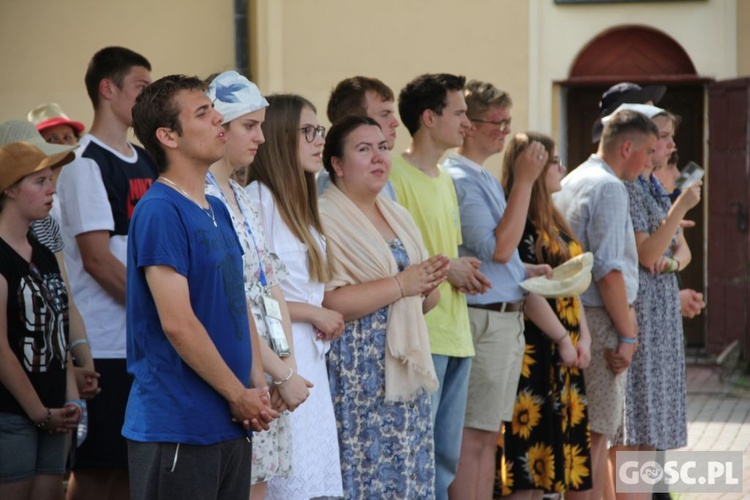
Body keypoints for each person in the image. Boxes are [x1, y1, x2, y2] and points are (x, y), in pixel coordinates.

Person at [124, 74, 278, 500]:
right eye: (204, 113)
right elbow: (178, 324)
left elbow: (237, 300)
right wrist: (236, 394)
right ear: (167, 136)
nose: (220, 122)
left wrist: (254, 385)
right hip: (179, 423)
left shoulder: (216, 208)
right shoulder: (159, 209)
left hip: (230, 419)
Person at [441, 81, 577, 500]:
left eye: (507, 121)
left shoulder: (477, 174)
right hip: (483, 318)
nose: (504, 130)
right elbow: (499, 247)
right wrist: (523, 181)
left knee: (487, 437)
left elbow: (503, 257)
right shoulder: (460, 177)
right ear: (468, 126)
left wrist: (526, 269)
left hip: (502, 316)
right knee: (471, 440)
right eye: (495, 121)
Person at [319, 115, 449, 498]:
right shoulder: (323, 218)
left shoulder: (398, 214)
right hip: (358, 376)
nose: (378, 158)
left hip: (404, 370)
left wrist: (428, 282)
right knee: (366, 478)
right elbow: (330, 301)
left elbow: (421, 300)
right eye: (363, 150)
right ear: (337, 165)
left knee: (408, 476)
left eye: (382, 148)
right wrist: (401, 284)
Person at [205, 72, 313, 500]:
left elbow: (270, 288)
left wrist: (285, 361)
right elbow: (231, 302)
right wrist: (277, 371)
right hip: (237, 371)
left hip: (266, 373)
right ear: (220, 126)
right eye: (250, 126)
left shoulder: (242, 195)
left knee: (260, 487)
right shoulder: (204, 199)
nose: (261, 139)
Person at [55, 46, 155, 500]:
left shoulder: (148, 160)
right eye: (142, 88)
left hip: (143, 341)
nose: (149, 99)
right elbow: (96, 260)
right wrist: (160, 309)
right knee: (97, 473)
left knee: (135, 470)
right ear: (107, 88)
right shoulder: (84, 163)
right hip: (108, 344)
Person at [389, 73, 491, 499]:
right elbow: (392, 250)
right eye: (460, 112)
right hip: (423, 334)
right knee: (417, 453)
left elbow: (440, 251)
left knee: (446, 457)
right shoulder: (393, 172)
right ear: (429, 118)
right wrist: (449, 269)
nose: (468, 122)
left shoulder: (446, 179)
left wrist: (461, 269)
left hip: (457, 333)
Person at [555, 109, 658, 499]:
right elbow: (610, 271)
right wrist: (629, 337)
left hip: (572, 316)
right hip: (599, 320)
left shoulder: (572, 179)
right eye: (648, 152)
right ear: (627, 147)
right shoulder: (611, 187)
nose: (650, 162)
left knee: (583, 437)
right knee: (595, 437)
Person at [247, 93, 344, 499]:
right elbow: (255, 293)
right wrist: (315, 313)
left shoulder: (301, 204)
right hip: (278, 352)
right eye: (307, 131)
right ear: (280, 137)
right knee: (288, 484)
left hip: (309, 353)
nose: (318, 139)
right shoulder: (258, 198)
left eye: (318, 130)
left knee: (314, 480)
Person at [611, 105, 701, 499]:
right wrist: (680, 207)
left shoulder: (650, 186)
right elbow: (648, 255)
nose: (669, 144)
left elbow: (678, 253)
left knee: (649, 433)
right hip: (642, 316)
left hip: (660, 315)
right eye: (662, 136)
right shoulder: (631, 186)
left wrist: (667, 263)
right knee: (636, 431)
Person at [500, 132, 593, 499]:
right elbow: (525, 290)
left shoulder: (553, 215)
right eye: (555, 161)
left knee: (566, 462)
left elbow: (572, 280)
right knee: (532, 464)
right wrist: (561, 339)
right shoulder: (518, 218)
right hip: (536, 349)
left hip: (566, 344)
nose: (562, 168)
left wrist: (582, 336)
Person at [0, 120, 81, 499]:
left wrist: (69, 399)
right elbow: (0, 349)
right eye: (40, 182)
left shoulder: (44, 253)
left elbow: (59, 333)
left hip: (52, 412)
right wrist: (39, 412)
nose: (52, 189)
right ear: (11, 188)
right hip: (13, 415)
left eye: (51, 180)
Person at [317, 76, 400, 199]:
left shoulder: (384, 182)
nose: (395, 123)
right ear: (355, 121)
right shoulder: (330, 192)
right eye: (385, 114)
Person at [653, 151, 706, 319]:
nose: (677, 174)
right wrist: (676, 300)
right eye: (670, 166)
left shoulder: (664, 204)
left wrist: (673, 263)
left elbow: (684, 250)